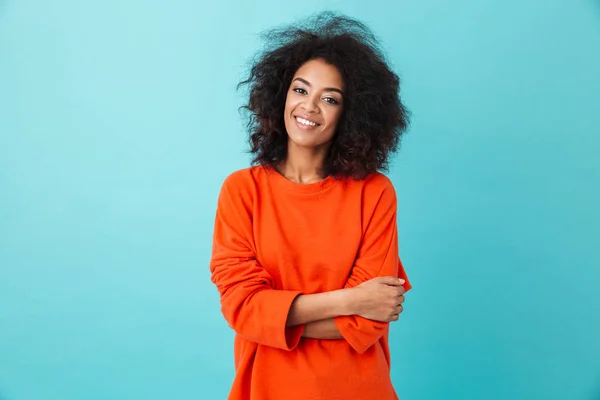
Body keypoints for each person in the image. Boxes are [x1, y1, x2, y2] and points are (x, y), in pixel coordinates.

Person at [209, 12, 412, 400]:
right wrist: (350, 301)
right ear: (280, 95)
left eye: (330, 98)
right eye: (300, 90)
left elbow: (371, 321)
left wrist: (274, 319)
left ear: (350, 114)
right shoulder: (242, 191)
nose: (310, 107)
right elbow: (242, 310)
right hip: (266, 388)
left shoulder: (374, 193)